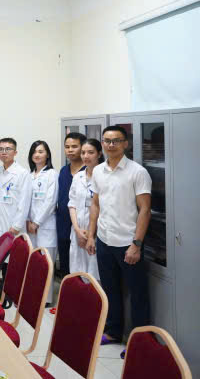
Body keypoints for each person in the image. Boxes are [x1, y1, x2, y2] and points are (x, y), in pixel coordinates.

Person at [86, 125, 152, 344]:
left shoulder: (137, 172)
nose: (111, 145)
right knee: (110, 289)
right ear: (102, 143)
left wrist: (137, 244)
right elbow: (95, 204)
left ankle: (140, 342)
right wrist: (91, 235)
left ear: (125, 144)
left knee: (137, 294)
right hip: (105, 239)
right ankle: (114, 332)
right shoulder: (98, 171)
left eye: (116, 141)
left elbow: (145, 209)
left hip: (128, 242)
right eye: (107, 141)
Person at [26, 140, 58, 304]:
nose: (37, 155)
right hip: (30, 226)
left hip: (45, 226)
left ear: (47, 155)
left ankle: (46, 299)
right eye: (34, 152)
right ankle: (34, 296)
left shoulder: (52, 174)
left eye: (41, 151)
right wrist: (27, 220)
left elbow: (50, 201)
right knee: (34, 263)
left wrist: (37, 222)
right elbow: (25, 201)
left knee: (46, 263)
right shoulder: (30, 175)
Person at [67, 138, 102, 280]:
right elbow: (72, 204)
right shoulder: (78, 176)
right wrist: (77, 230)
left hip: (97, 233)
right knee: (77, 272)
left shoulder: (104, 176)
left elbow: (104, 207)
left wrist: (90, 235)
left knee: (95, 275)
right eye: (83, 153)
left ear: (99, 154)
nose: (86, 156)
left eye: (90, 152)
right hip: (78, 232)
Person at [0, 138, 32, 243]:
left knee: (13, 251)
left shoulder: (23, 173)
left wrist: (17, 225)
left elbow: (24, 202)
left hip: (13, 224)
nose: (4, 152)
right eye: (1, 149)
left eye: (8, 149)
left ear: (15, 152)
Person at [57, 132, 87, 276]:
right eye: (67, 147)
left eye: (74, 146)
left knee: (83, 268)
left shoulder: (89, 171)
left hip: (82, 226)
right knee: (65, 265)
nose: (70, 150)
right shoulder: (64, 171)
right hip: (63, 224)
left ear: (82, 147)